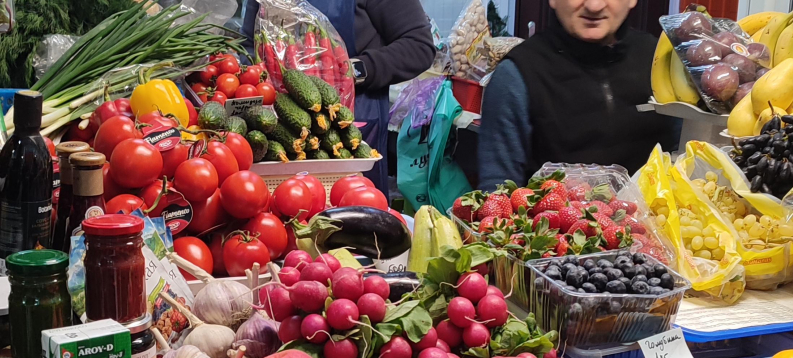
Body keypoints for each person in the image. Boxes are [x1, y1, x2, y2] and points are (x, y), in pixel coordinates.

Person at [241, 0, 437, 199]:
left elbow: (418, 45)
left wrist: (353, 70)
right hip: (278, 130)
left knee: (355, 214)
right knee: (280, 211)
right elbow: (248, 46)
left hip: (349, 126)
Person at [477, 0, 681, 190]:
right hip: (554, 226)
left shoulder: (661, 62)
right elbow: (497, 196)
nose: (594, 6)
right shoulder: (515, 76)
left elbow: (684, 160)